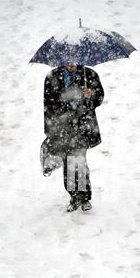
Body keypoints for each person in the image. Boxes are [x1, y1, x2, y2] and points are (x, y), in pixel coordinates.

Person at [43, 64, 104, 212]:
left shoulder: (88, 74)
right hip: (62, 127)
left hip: (82, 126)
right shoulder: (52, 77)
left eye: (74, 61)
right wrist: (49, 129)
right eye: (67, 61)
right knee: (67, 162)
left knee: (79, 161)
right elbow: (48, 105)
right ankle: (73, 196)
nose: (71, 64)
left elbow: (99, 97)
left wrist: (91, 95)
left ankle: (84, 197)